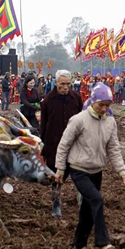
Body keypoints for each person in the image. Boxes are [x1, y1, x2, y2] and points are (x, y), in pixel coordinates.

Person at [55, 82, 125, 249]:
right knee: (96, 199)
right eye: (100, 105)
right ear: (92, 101)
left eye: (107, 105)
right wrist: (60, 169)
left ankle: (78, 244)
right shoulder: (79, 120)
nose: (104, 108)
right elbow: (63, 145)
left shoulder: (110, 122)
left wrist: (122, 170)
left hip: (96, 171)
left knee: (88, 210)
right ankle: (103, 241)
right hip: (78, 169)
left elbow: (113, 148)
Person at [40, 69, 83, 216]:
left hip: (74, 145)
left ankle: (82, 204)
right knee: (56, 177)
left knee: (79, 175)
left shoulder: (76, 99)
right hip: (54, 145)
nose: (65, 87)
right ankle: (56, 205)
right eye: (62, 84)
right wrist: (43, 147)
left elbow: (82, 122)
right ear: (56, 83)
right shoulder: (47, 101)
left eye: (68, 84)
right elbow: (43, 126)